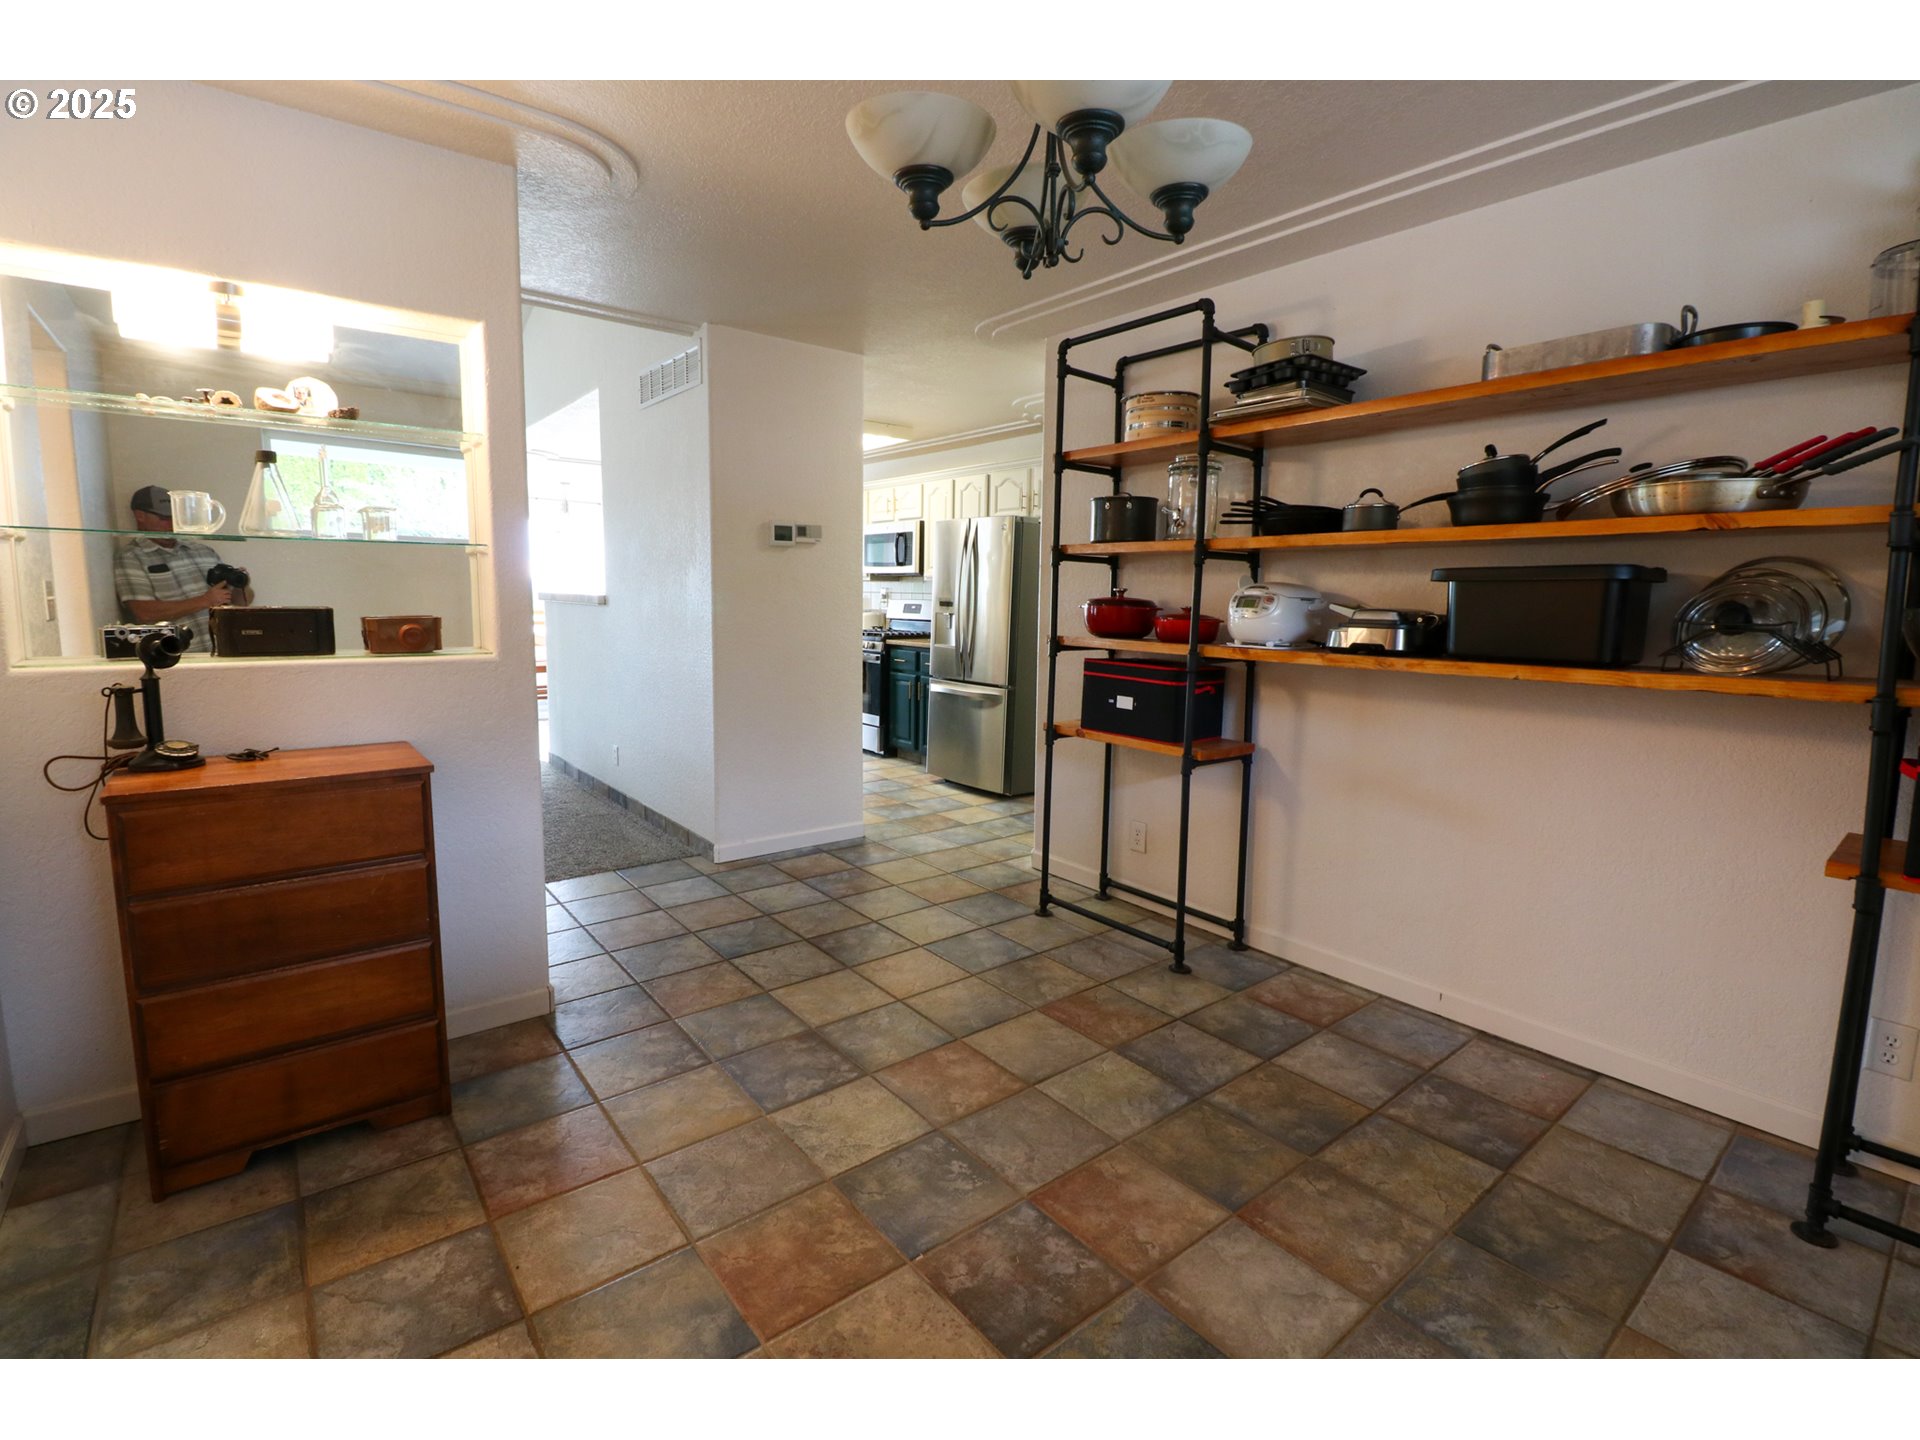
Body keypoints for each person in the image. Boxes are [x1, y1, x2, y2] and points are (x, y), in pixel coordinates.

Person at [112, 486, 254, 653]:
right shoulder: (131, 557)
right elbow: (144, 612)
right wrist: (205, 601)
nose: (172, 524)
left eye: (175, 516)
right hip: (177, 656)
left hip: (225, 651)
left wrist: (241, 586)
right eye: (164, 518)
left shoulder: (202, 551)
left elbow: (242, 601)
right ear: (140, 515)